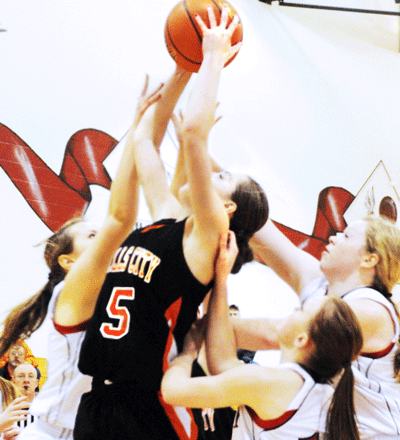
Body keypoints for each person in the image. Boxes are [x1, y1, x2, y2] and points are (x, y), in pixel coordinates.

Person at [74, 7, 269, 440]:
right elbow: (144, 140)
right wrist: (183, 67)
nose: (205, 172)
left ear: (229, 210)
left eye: (221, 177)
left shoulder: (209, 233)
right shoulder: (164, 219)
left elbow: (195, 132)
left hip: (151, 406)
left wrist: (212, 54)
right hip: (98, 400)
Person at [0, 78, 162, 440]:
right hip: (52, 433)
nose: (101, 236)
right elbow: (119, 220)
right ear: (68, 263)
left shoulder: (121, 287)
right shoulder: (69, 294)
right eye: (91, 235)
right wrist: (138, 130)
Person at [162, 231, 364, 440]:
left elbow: (173, 391)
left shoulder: (271, 382)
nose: (294, 310)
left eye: (301, 310)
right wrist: (220, 278)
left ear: (301, 340)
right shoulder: (322, 389)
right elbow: (222, 363)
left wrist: (187, 354)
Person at [232, 215, 400, 439]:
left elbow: (279, 335)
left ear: (369, 259)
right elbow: (257, 220)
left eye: (347, 236)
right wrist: (229, 195)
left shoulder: (371, 310)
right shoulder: (323, 285)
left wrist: (195, 327)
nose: (334, 237)